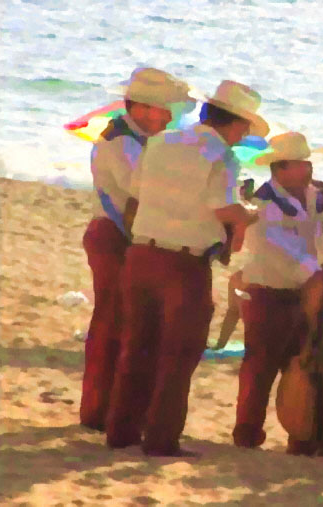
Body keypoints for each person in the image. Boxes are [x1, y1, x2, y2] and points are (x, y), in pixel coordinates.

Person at [105, 80, 266, 456]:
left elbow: (138, 190)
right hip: (184, 262)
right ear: (236, 124)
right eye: (244, 127)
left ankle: (122, 430)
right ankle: (161, 439)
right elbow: (224, 209)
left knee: (137, 347)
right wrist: (251, 214)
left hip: (142, 252)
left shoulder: (162, 141)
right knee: (179, 354)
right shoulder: (221, 156)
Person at [231, 132, 323, 454]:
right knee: (261, 366)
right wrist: (319, 275)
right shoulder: (262, 204)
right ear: (280, 169)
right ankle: (247, 434)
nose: (308, 169)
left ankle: (304, 434)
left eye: (307, 163)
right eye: (301, 164)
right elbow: (279, 250)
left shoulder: (319, 195)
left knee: (309, 368)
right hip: (271, 293)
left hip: (315, 295)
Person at [80, 67, 192, 431]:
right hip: (114, 234)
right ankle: (99, 410)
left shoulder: (133, 138)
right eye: (165, 109)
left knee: (120, 322)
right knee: (114, 322)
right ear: (144, 108)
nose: (170, 117)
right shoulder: (122, 142)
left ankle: (106, 408)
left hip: (120, 233)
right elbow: (141, 189)